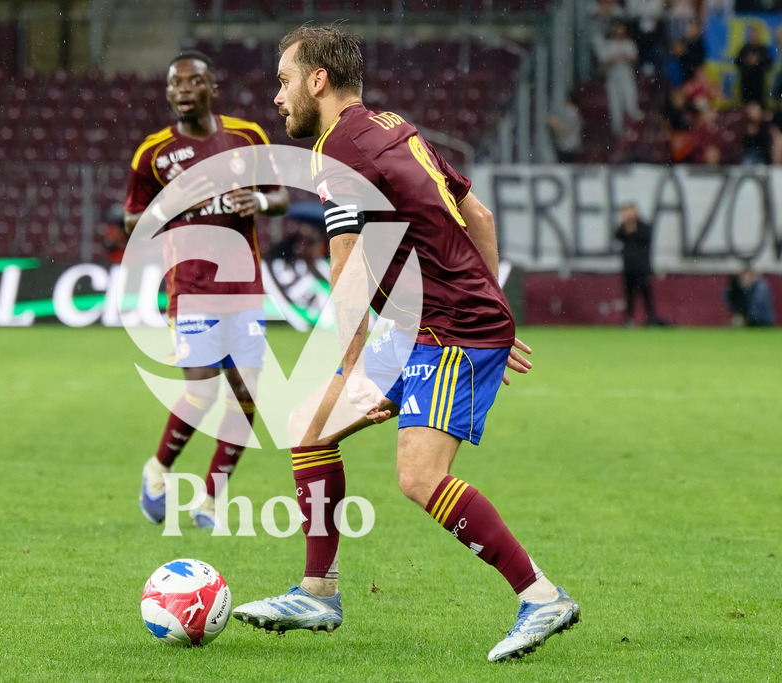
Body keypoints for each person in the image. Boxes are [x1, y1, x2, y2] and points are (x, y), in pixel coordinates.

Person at [231, 25, 580, 663]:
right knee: (309, 427)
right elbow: (480, 217)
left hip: (447, 329)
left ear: (318, 81)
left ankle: (540, 596)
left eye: (284, 81)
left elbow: (346, 267)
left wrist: (354, 361)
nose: (276, 97)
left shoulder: (337, 152)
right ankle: (318, 591)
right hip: (438, 323)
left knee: (420, 477)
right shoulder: (394, 127)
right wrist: (495, 310)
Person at [124, 50, 289, 529]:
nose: (183, 90)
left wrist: (256, 198)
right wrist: (169, 204)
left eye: (193, 82)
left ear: (212, 87)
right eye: (175, 84)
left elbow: (279, 195)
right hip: (190, 287)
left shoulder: (247, 137)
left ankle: (212, 498)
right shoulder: (153, 153)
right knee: (202, 392)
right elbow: (132, 216)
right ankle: (158, 469)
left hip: (243, 287)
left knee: (245, 395)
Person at [614, 203, 665, 325]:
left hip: (642, 266)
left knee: (646, 293)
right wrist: (626, 225)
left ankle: (650, 317)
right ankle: (629, 319)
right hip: (629, 267)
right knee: (629, 294)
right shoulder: (624, 227)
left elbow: (646, 238)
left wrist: (633, 228)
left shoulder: (643, 227)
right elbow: (617, 236)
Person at [592, 20, 641, 137]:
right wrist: (613, 59)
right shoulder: (608, 44)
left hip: (626, 76)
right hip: (613, 77)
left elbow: (635, 61)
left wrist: (626, 57)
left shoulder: (629, 44)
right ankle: (617, 132)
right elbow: (602, 65)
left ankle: (633, 130)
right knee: (615, 105)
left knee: (630, 102)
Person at [547, 91, 583, 163]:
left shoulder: (573, 113)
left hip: (569, 148)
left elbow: (565, 131)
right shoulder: (574, 113)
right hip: (569, 147)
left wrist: (555, 123)